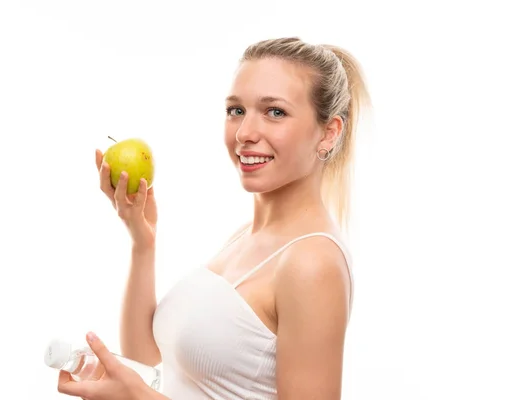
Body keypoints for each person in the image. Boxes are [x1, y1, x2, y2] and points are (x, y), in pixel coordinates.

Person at [57, 36, 371, 400]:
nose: (245, 133)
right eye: (237, 110)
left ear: (329, 133)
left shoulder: (311, 263)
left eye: (275, 112)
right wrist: (143, 242)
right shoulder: (247, 238)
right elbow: (146, 360)